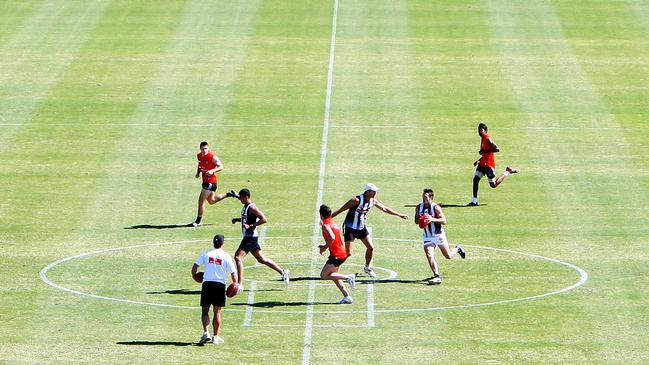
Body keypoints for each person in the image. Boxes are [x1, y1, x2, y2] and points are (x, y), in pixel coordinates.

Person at [331, 183, 409, 278]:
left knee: (371, 247)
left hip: (361, 227)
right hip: (350, 228)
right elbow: (341, 209)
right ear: (367, 192)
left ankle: (367, 268)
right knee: (348, 253)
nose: (375, 193)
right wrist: (327, 219)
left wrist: (399, 214)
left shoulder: (373, 201)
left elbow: (385, 209)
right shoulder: (356, 200)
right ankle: (333, 267)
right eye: (373, 191)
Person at [231, 188, 289, 290]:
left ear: (246, 197)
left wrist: (252, 225)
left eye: (241, 198)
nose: (240, 200)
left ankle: (240, 284)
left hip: (250, 237)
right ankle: (283, 272)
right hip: (250, 237)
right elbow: (246, 218)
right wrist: (238, 219)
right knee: (262, 259)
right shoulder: (246, 206)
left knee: (237, 257)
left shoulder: (252, 207)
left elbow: (264, 219)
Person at [191, 234, 238, 344]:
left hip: (207, 284)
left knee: (205, 311)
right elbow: (233, 273)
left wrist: (194, 276)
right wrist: (235, 285)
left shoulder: (207, 254)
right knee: (217, 311)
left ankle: (206, 332)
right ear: (223, 243)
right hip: (220, 285)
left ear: (213, 243)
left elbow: (195, 266)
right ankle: (215, 336)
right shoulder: (226, 256)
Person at [415, 188, 465, 285]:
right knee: (429, 254)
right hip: (427, 236)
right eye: (423, 196)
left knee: (448, 256)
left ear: (431, 197)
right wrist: (421, 220)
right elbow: (416, 221)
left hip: (438, 235)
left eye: (425, 197)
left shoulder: (436, 207)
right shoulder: (418, 207)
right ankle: (436, 276)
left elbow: (444, 221)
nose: (424, 199)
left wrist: (432, 219)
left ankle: (457, 248)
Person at [468, 123, 518, 206]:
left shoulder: (487, 139)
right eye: (479, 130)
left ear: (485, 131)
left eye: (481, 130)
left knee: (493, 185)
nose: (480, 132)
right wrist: (479, 160)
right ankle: (474, 201)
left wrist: (483, 152)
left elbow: (497, 149)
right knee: (475, 179)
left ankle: (508, 172)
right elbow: (486, 154)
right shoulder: (482, 138)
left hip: (489, 166)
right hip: (482, 164)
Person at [191, 141, 238, 227]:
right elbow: (200, 164)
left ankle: (198, 221)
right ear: (200, 149)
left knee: (201, 201)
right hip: (205, 181)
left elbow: (221, 166)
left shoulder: (213, 157)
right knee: (211, 201)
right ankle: (229, 194)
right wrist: (198, 173)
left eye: (205, 149)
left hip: (211, 182)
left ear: (208, 148)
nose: (204, 150)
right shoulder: (199, 156)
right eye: (202, 149)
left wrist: (212, 170)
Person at [318, 204, 356, 304]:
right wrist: (326, 244)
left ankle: (348, 277)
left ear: (321, 214)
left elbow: (332, 238)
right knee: (335, 276)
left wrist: (323, 248)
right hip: (342, 253)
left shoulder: (325, 225)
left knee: (324, 275)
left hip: (336, 255)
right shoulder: (333, 223)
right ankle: (347, 297)